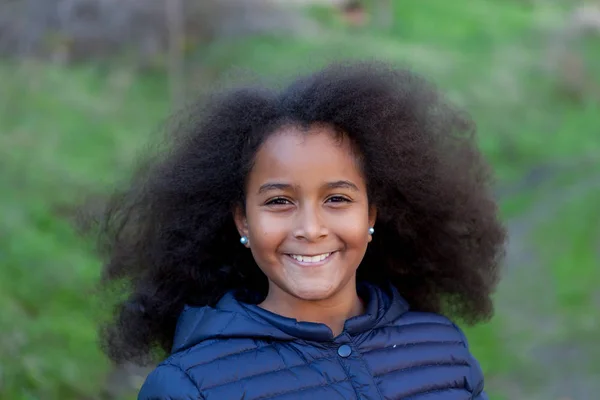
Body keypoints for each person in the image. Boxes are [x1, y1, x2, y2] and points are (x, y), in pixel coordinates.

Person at [97, 61, 506, 399]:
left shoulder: (443, 351)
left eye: (337, 199)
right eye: (279, 202)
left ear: (372, 216)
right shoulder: (189, 386)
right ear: (242, 220)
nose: (310, 229)